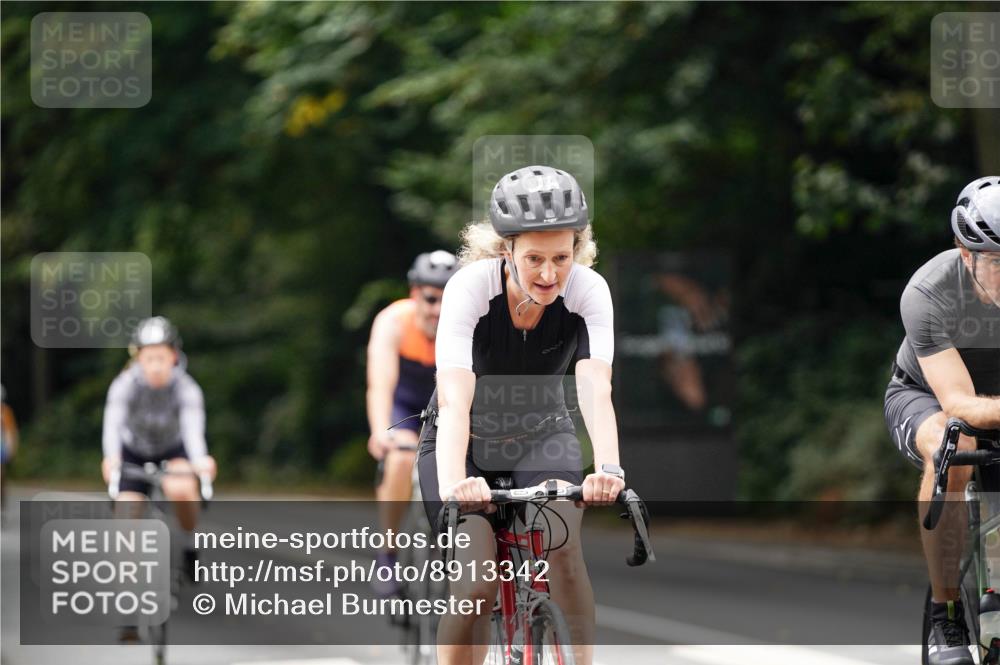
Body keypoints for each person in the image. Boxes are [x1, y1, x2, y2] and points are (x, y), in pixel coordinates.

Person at [417, 165, 625, 665]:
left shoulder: (588, 291)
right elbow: (453, 398)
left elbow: (596, 386)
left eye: (562, 256)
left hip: (541, 436)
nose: (550, 274)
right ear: (505, 250)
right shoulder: (470, 289)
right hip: (462, 444)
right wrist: (454, 482)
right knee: (475, 584)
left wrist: (609, 469)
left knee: (565, 557)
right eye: (534, 258)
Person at [884, 176, 1000, 665]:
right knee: (950, 448)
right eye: (998, 263)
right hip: (925, 396)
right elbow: (960, 405)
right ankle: (945, 611)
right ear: (964, 251)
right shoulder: (929, 292)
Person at [366, 250, 458, 594]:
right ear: (414, 293)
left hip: (448, 404)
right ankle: (387, 553)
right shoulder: (393, 322)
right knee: (401, 458)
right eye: (431, 299)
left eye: (447, 301)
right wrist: (379, 432)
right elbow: (381, 384)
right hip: (404, 405)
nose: (437, 310)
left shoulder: (466, 325)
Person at [102, 317, 217, 582]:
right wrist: (111, 459)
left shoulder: (186, 388)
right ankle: (129, 585)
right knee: (126, 513)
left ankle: (190, 545)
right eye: (149, 358)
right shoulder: (124, 386)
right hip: (133, 451)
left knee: (182, 489)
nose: (155, 366)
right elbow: (113, 426)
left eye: (161, 357)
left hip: (172, 448)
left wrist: (201, 460)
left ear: (173, 356)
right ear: (138, 358)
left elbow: (192, 429)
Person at [0, 384, 19, 512]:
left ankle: (2, 504)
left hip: (1, 446)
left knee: (1, 475)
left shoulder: (5, 412)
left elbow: (10, 432)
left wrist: (11, 448)